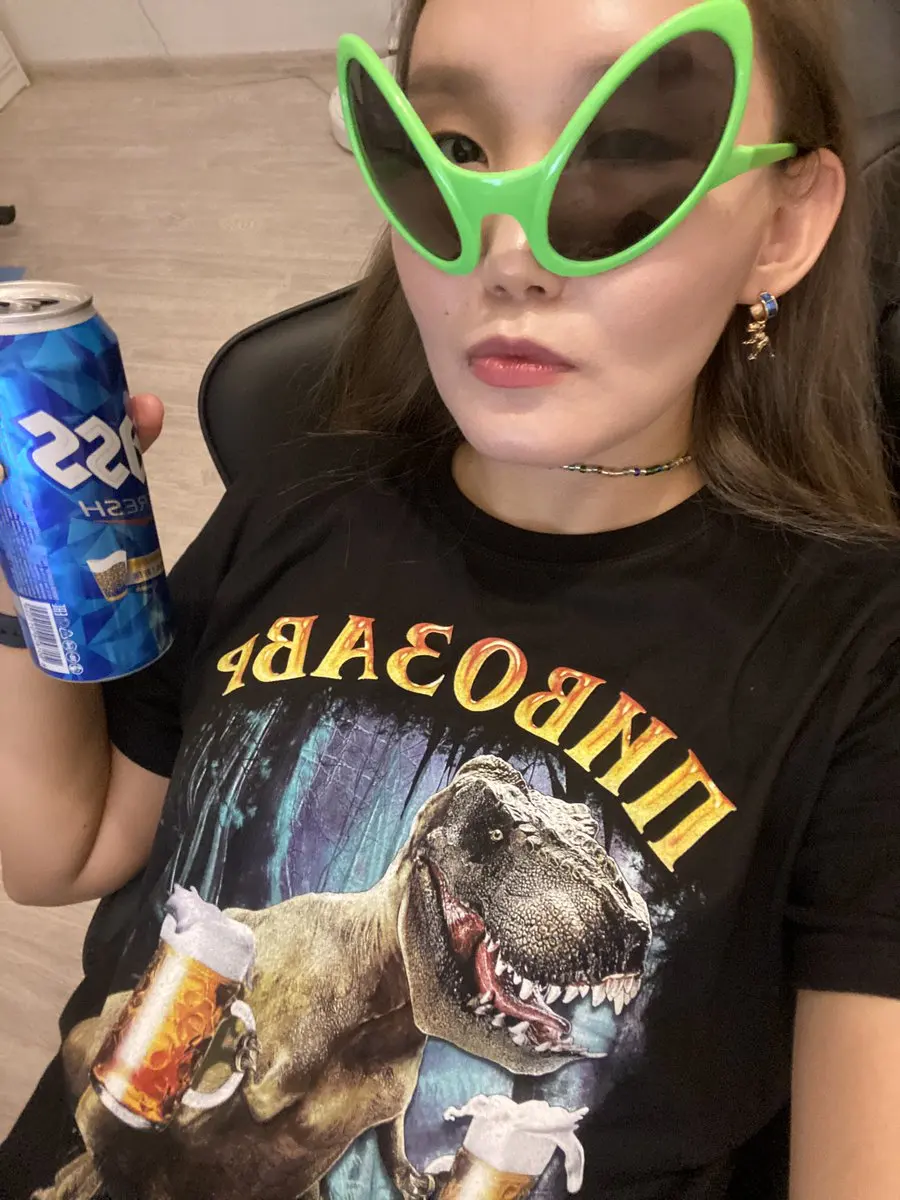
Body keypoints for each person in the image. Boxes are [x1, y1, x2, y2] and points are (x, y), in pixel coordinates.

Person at [1, 0, 899, 1196]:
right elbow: (61, 848)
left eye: (631, 154)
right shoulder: (300, 497)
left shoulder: (861, 655)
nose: (506, 254)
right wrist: (22, 579)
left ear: (782, 225)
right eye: (455, 152)